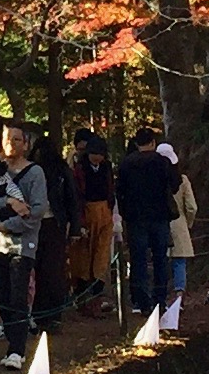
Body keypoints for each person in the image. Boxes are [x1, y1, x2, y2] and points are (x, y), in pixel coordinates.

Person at [0, 125, 47, 365]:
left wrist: (12, 224)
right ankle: (11, 341)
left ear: (26, 144)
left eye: (17, 139)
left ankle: (16, 350)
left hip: (22, 244)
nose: (12, 143)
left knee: (19, 296)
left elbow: (37, 209)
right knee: (3, 298)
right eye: (8, 139)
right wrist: (8, 202)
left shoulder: (35, 173)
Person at [114, 125, 180, 319]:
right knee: (160, 258)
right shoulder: (162, 162)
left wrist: (126, 213)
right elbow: (175, 185)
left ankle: (141, 301)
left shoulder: (126, 164)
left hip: (136, 218)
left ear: (136, 143)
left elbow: (120, 191)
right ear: (153, 143)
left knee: (138, 259)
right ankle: (160, 299)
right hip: (159, 215)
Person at [31, 131, 76, 327]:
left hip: (41, 223)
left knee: (43, 269)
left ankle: (44, 314)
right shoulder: (61, 170)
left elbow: (71, 198)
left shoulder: (34, 169)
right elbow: (73, 199)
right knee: (52, 269)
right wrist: (74, 226)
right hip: (52, 224)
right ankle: (51, 314)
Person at [70, 128, 115, 310]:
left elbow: (111, 189)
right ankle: (81, 295)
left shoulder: (107, 168)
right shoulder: (79, 169)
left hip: (105, 211)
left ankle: (98, 293)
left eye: (100, 154)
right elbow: (77, 195)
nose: (97, 158)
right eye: (94, 154)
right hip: (86, 212)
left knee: (101, 253)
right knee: (82, 255)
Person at [160, 140, 199, 307]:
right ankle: (179, 295)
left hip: (159, 223)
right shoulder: (182, 180)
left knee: (160, 260)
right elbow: (192, 207)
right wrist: (187, 223)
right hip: (179, 222)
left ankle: (160, 295)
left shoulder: (153, 180)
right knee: (179, 261)